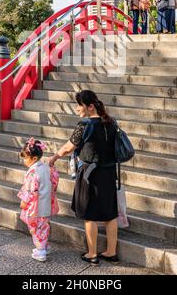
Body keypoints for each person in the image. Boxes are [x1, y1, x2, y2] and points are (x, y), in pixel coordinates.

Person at [48, 90, 119, 266]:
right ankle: (111, 252)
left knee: (90, 214)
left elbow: (68, 148)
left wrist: (54, 157)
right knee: (110, 214)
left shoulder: (85, 124)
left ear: (90, 106)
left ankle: (92, 253)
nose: (77, 108)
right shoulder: (111, 122)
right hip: (109, 173)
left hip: (90, 174)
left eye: (79, 105)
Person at [18, 138, 59, 262]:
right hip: (46, 203)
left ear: (34, 158)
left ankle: (41, 251)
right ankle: (44, 247)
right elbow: (54, 181)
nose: (24, 160)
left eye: (25, 158)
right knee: (44, 226)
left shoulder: (33, 172)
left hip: (36, 206)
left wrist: (24, 201)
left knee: (36, 228)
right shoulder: (46, 167)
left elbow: (30, 190)